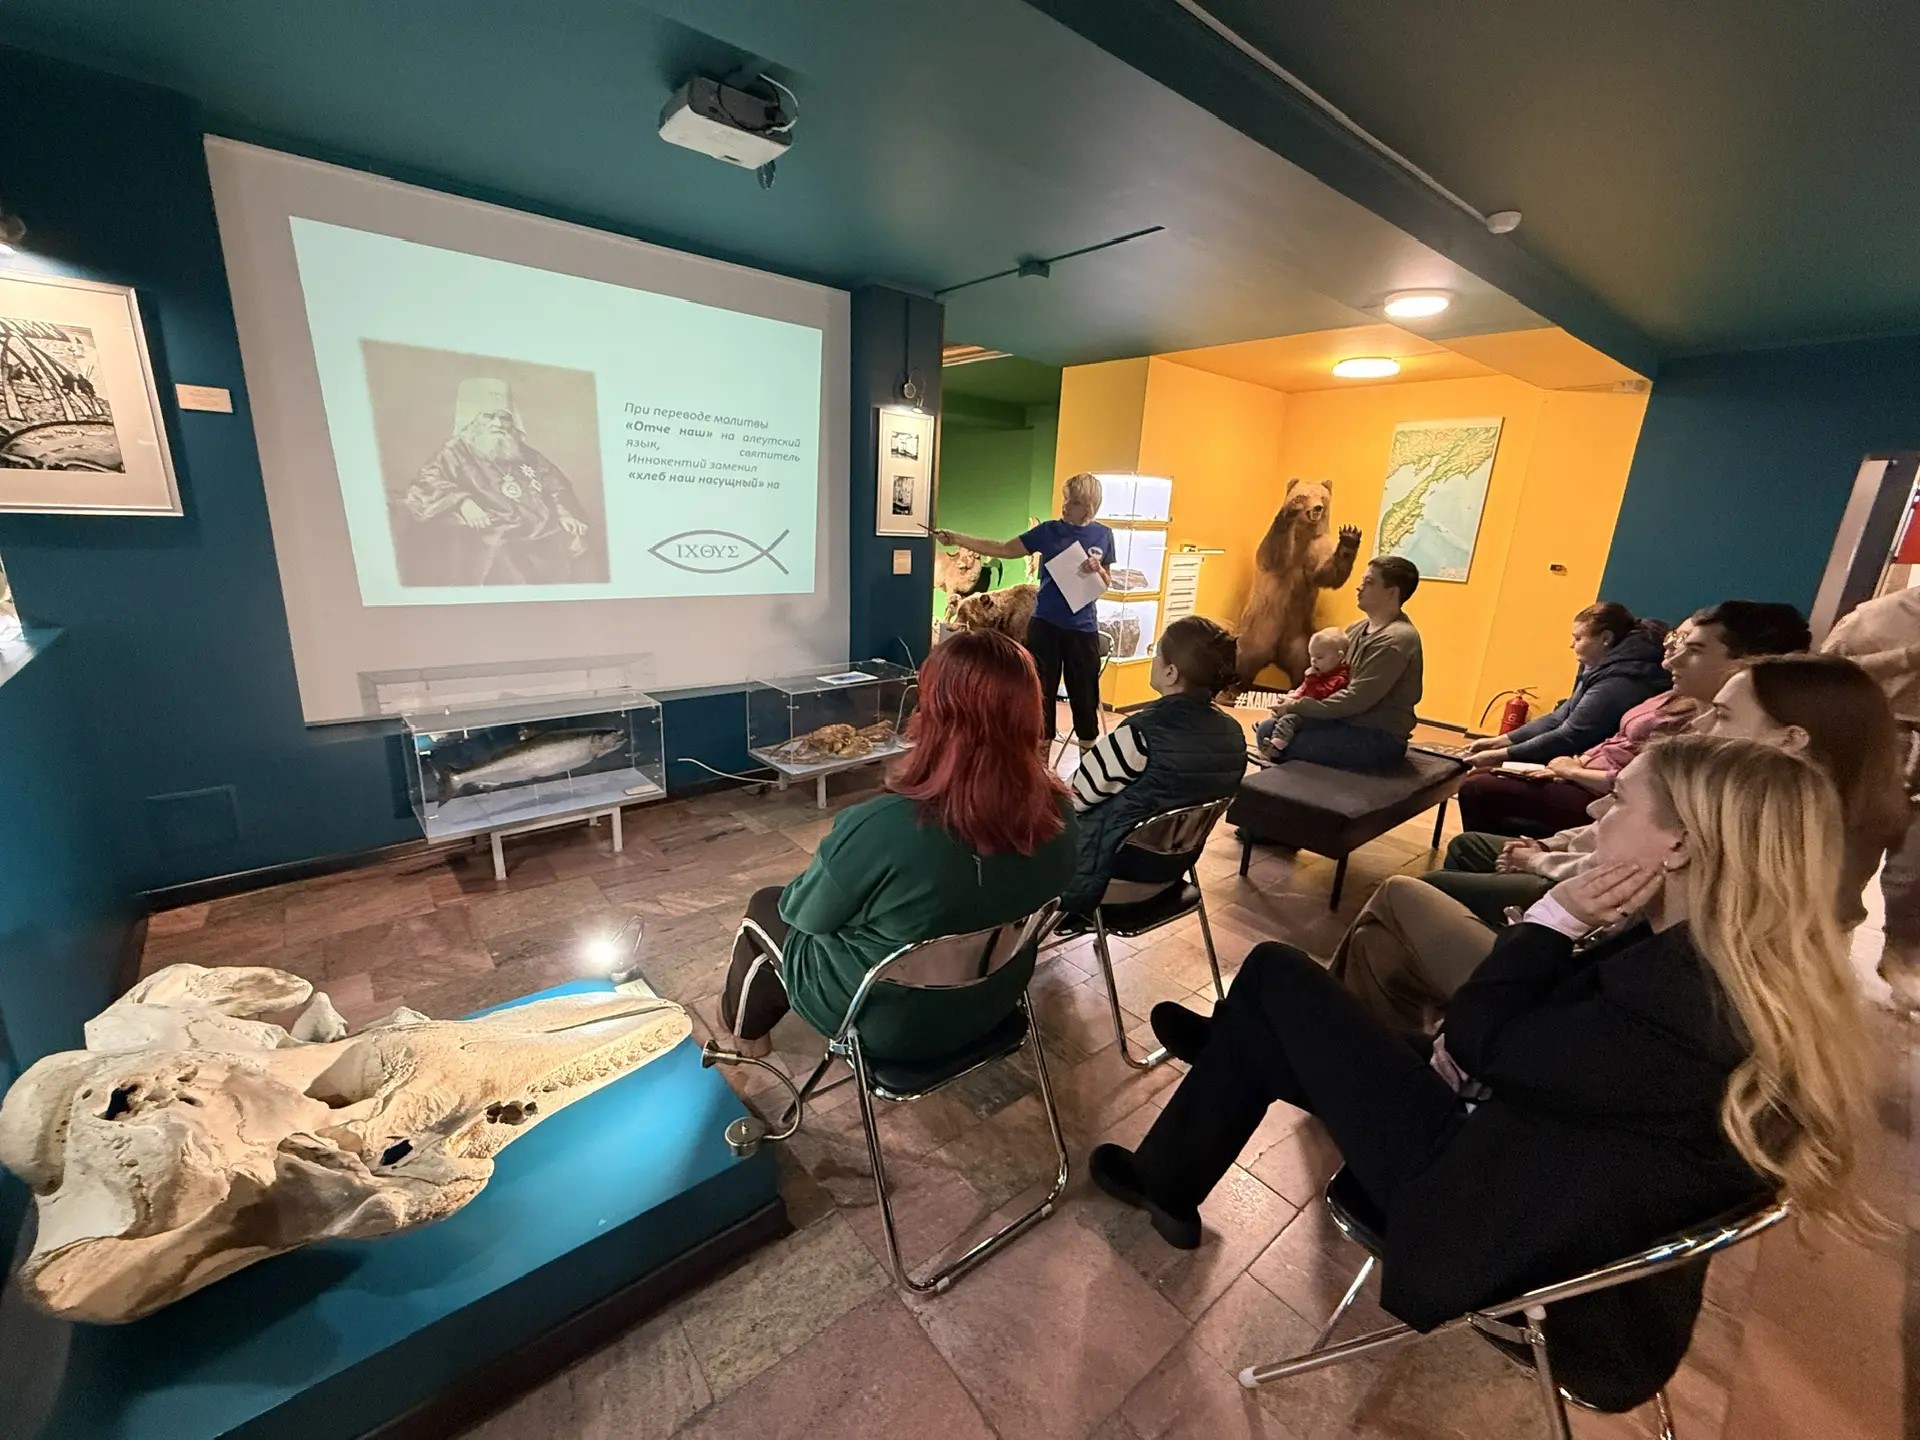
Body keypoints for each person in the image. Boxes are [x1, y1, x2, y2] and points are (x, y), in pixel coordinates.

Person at [1092, 735, 1876, 1411]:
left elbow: (1484, 1035)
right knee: (1281, 1009)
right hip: (1520, 1155)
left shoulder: (1678, 1008)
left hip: (1484, 1219)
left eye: (1621, 802)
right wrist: (1482, 1045)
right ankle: (1189, 1135)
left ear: (1680, 846)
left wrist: (1552, 921)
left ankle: (1185, 1138)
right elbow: (1519, 1048)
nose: (1597, 810)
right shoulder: (1706, 964)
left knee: (1275, 976)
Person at [1336, 655, 1905, 1028]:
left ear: (1791, 739)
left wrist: (1550, 912)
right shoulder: (1771, 820)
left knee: (1396, 902)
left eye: (1723, 716)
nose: (1703, 727)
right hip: (1589, 971)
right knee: (1379, 943)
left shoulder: (1756, 839)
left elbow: (1620, 908)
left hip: (1571, 999)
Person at [718, 629, 1076, 1061]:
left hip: (893, 1026)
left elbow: (805, 915)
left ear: (936, 715)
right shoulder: (1061, 813)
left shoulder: (884, 827)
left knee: (765, 907)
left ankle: (745, 1042)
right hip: (996, 1000)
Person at [1455, 599, 1811, 837]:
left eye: (1691, 646)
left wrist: (1568, 770)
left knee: (1480, 786)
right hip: (1586, 778)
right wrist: (1505, 744)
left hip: (1597, 792)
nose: (1671, 655)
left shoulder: (1633, 683)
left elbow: (1630, 784)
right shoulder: (1665, 689)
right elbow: (1563, 719)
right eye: (1676, 639)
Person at [1060, 616, 1248, 919]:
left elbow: (1071, 800)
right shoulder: (1234, 735)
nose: (1152, 658)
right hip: (1172, 873)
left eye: (1155, 651)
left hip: (1104, 876)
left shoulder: (1140, 736)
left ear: (1171, 672)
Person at [934, 473, 1114, 748]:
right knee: (1040, 700)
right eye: (1065, 499)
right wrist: (958, 538)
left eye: (1074, 502)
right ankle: (1040, 767)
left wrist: (1098, 569)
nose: (1065, 506)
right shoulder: (1048, 531)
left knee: (1085, 700)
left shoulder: (1103, 535)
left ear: (1089, 507)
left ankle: (1088, 767)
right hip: (1045, 625)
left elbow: (1106, 581)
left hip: (1083, 629)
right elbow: (1005, 549)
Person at [1820, 584, 1920, 1011]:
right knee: (1845, 864)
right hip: (1879, 745)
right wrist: (1907, 657)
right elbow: (1825, 674)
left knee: (1912, 874)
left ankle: (1904, 963)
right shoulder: (1878, 615)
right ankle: (1819, 965)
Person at [398, 378, 599, 586]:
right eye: (489, 416)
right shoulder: (454, 451)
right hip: (492, 529)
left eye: (504, 418)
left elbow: (555, 484)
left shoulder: (523, 453)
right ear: (472, 419)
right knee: (505, 557)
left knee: (576, 541)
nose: (498, 424)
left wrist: (565, 513)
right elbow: (427, 482)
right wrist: (463, 502)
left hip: (538, 526)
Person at [1250, 555, 1424, 773]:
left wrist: (1296, 706)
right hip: (1345, 722)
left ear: (1392, 592)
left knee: (1273, 737)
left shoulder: (1397, 640)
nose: (1359, 588)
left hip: (1377, 736)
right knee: (1270, 728)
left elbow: (1355, 699)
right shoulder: (1356, 629)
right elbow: (1330, 678)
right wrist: (1298, 696)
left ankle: (1290, 787)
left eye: (1369, 582)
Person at [1462, 603, 1670, 769]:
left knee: (1481, 782)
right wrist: (1499, 741)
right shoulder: (1604, 666)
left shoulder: (1621, 679)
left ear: (1606, 638)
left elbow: (1571, 735)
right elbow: (1558, 718)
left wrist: (1499, 756)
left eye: (1578, 638)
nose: (1572, 645)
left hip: (1595, 765)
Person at [1252, 625, 1350, 760]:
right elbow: (1304, 689)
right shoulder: (1322, 673)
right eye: (1311, 656)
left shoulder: (1339, 678)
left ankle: (1275, 748)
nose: (1313, 661)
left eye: (1319, 657)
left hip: (1320, 717)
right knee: (1281, 712)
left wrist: (1311, 679)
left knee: (1289, 719)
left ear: (1338, 656)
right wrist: (1293, 696)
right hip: (1307, 708)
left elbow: (1319, 695)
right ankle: (1274, 729)